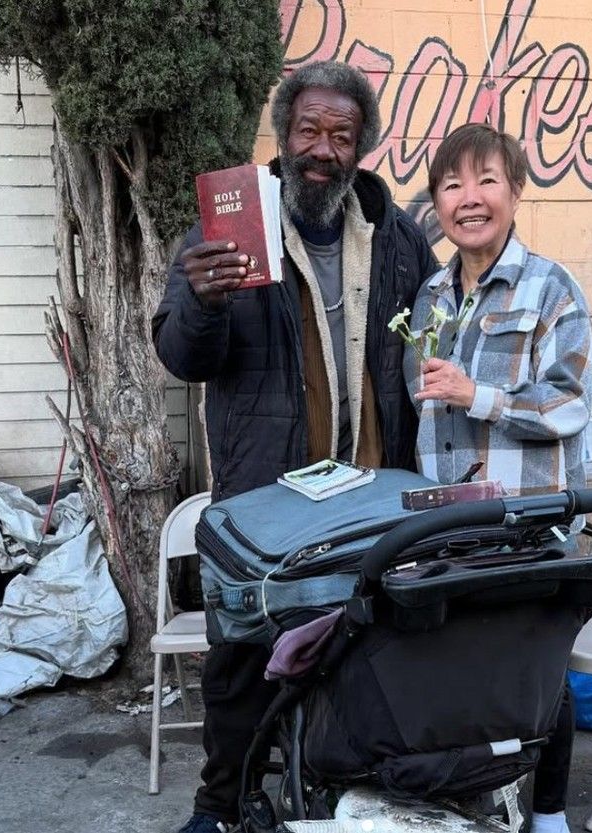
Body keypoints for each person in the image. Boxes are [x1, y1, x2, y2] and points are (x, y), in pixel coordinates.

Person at [153, 60, 438, 833]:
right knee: (242, 658)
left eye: (341, 135)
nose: (323, 148)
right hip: (265, 499)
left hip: (372, 496)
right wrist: (206, 303)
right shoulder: (226, 229)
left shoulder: (397, 238)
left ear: (360, 148)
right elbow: (182, 355)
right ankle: (222, 804)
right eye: (309, 129)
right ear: (284, 136)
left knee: (366, 654)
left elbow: (439, 338)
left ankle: (350, 794)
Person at [404, 122, 592, 833]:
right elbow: (420, 401)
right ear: (437, 203)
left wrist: (474, 394)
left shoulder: (552, 289)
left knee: (538, 670)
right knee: (466, 665)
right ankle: (476, 797)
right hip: (454, 523)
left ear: (516, 189)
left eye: (487, 180)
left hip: (531, 521)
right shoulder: (430, 296)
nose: (470, 198)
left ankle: (548, 814)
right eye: (452, 185)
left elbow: (572, 404)